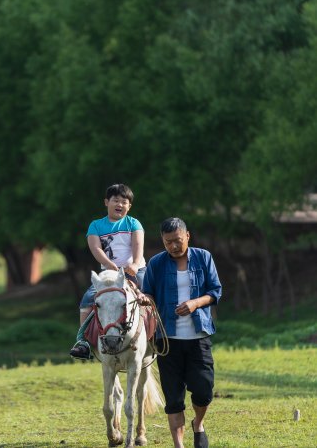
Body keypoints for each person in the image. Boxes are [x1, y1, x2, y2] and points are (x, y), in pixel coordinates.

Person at [138, 217, 222, 448]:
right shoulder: (156, 263)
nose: (173, 246)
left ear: (187, 236)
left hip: (199, 337)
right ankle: (179, 445)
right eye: (168, 243)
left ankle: (199, 424)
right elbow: (148, 294)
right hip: (167, 340)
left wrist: (195, 303)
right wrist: (147, 304)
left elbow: (215, 291)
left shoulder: (204, 257)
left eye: (177, 240)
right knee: (174, 399)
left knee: (204, 391)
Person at [69, 183, 146, 360]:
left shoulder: (133, 223)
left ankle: (159, 335)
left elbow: (137, 245)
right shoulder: (96, 226)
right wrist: (110, 265)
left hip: (134, 270)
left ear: (130, 206)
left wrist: (134, 264)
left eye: (124, 202)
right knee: (88, 300)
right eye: (116, 200)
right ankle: (83, 341)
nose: (120, 204)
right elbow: (96, 248)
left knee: (150, 293)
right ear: (106, 202)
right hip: (109, 274)